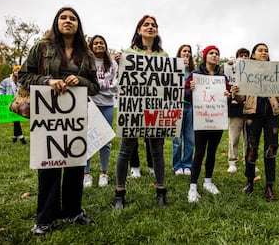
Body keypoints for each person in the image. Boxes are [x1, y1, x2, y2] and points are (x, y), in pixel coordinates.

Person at [18, 7, 99, 235]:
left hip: (74, 117)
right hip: (48, 117)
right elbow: (24, 76)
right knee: (49, 166)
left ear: (78, 25)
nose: (68, 21)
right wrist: (47, 81)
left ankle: (73, 211)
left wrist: (80, 80)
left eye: (72, 18)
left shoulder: (87, 55)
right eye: (63, 17)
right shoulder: (42, 48)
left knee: (74, 165)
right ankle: (45, 218)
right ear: (56, 22)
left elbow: (94, 86)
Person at [114, 15, 169, 209]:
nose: (150, 27)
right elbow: (121, 82)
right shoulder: (127, 53)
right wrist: (118, 64)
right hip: (133, 109)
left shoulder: (164, 56)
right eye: (146, 25)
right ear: (139, 30)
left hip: (155, 109)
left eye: (153, 25)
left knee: (157, 151)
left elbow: (168, 83)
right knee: (125, 151)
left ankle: (161, 192)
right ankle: (119, 194)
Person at [232, 43, 279, 202]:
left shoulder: (274, 72)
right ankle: (250, 181)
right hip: (252, 114)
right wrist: (235, 93)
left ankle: (269, 186)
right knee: (251, 148)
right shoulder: (246, 73)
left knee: (271, 149)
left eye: (266, 50)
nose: (264, 52)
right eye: (260, 50)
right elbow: (241, 98)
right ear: (254, 55)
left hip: (272, 114)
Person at [186, 45, 231, 203]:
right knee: (199, 152)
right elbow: (185, 95)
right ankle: (192, 187)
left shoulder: (223, 77)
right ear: (205, 56)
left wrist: (228, 94)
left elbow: (227, 97)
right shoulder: (195, 75)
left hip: (217, 118)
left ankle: (208, 181)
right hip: (201, 118)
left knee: (212, 151)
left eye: (217, 53)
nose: (214, 55)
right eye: (211, 53)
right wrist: (190, 89)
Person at [83, 35, 118, 188]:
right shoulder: (86, 61)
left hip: (107, 104)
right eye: (96, 43)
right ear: (91, 46)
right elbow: (87, 82)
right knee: (88, 138)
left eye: (101, 43)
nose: (98, 45)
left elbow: (116, 84)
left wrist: (100, 84)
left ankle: (104, 173)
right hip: (90, 104)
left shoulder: (112, 63)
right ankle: (86, 173)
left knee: (105, 140)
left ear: (105, 46)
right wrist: (106, 83)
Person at [172, 44, 195, 176]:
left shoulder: (194, 72)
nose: (187, 53)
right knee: (177, 139)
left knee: (190, 138)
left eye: (189, 51)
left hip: (190, 106)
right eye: (184, 51)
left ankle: (187, 164)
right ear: (179, 53)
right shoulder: (173, 69)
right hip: (176, 106)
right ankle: (176, 166)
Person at [226, 48, 249, 173]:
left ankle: (248, 161)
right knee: (234, 137)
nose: (244, 57)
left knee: (249, 138)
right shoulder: (230, 68)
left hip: (250, 108)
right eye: (241, 55)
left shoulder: (252, 71)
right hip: (235, 108)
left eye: (246, 55)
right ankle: (232, 161)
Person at [0, 65, 27, 144]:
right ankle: (21, 138)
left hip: (19, 102)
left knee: (16, 120)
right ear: (13, 71)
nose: (17, 72)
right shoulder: (6, 81)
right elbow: (1, 90)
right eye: (16, 70)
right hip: (10, 102)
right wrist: (2, 98)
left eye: (19, 70)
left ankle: (15, 137)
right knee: (16, 120)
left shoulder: (22, 81)